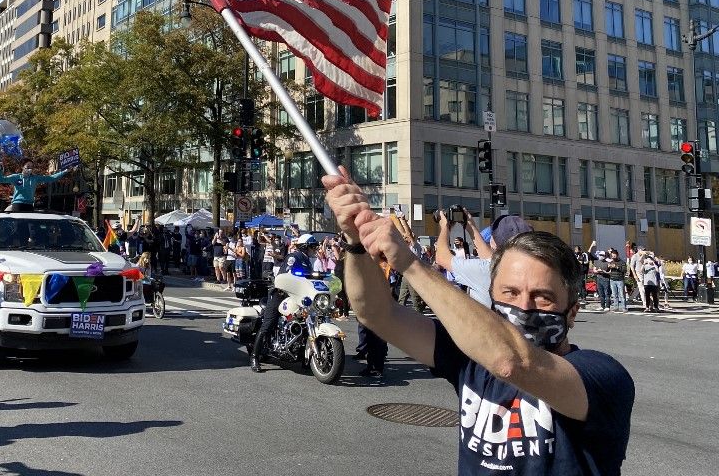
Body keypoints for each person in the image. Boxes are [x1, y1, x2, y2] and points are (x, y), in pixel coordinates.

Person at [324, 167, 634, 475]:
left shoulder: (601, 377)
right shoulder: (469, 359)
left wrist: (409, 262)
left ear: (572, 311)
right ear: (492, 294)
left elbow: (512, 362)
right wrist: (356, 241)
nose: (523, 306)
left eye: (543, 297)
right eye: (509, 293)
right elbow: (377, 314)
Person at [250, 233, 318, 373]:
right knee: (268, 324)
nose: (315, 249)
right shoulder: (294, 257)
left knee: (308, 323)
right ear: (305, 247)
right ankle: (255, 357)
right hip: (281, 294)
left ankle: (307, 358)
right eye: (313, 246)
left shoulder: (307, 260)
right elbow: (285, 276)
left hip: (299, 297)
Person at [0, 158, 69, 212]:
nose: (30, 169)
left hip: (29, 205)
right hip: (18, 204)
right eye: (28, 167)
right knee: (18, 226)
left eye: (31, 167)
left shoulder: (35, 178)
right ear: (22, 167)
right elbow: (1, 180)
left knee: (27, 227)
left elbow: (51, 178)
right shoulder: (16, 177)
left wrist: (65, 171)